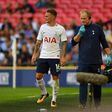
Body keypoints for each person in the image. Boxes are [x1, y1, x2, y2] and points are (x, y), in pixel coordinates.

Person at [71, 9, 111, 110]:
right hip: (83, 62)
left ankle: (97, 105)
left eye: (84, 18)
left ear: (90, 18)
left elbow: (104, 44)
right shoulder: (79, 29)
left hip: (96, 62)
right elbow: (73, 43)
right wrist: (79, 34)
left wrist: (109, 56)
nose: (82, 20)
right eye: (81, 18)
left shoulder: (97, 28)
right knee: (83, 84)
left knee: (97, 85)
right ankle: (82, 105)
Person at [31, 8, 67, 107]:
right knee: (38, 76)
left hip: (55, 57)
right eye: (45, 15)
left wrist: (62, 57)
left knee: (55, 77)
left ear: (53, 17)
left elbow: (64, 43)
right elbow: (38, 42)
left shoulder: (60, 29)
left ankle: (54, 98)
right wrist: (35, 54)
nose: (45, 17)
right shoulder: (42, 27)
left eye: (47, 16)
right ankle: (44, 93)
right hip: (43, 56)